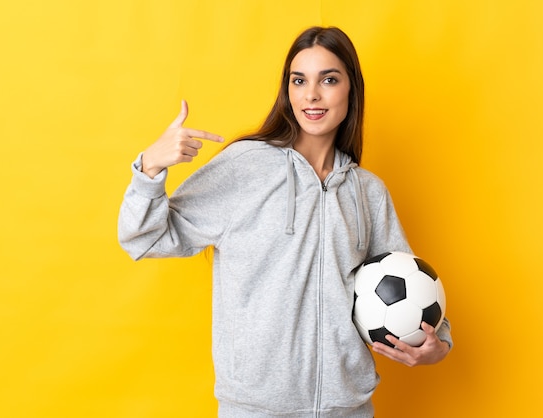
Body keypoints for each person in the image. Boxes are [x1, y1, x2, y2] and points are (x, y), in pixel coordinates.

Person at [118, 26, 452, 418]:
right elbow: (145, 239)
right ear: (288, 91)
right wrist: (150, 166)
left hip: (347, 408)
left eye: (328, 79)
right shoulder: (246, 167)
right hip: (255, 409)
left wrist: (438, 345)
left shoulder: (367, 192)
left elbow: (408, 279)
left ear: (351, 90)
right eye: (299, 81)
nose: (311, 95)